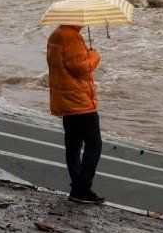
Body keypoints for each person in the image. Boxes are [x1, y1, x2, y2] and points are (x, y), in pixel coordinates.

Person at [46, 24, 105, 204]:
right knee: (94, 145)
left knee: (73, 145)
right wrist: (94, 55)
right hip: (80, 101)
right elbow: (81, 67)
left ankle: (77, 188)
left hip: (65, 100)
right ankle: (82, 188)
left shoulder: (55, 35)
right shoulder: (71, 37)